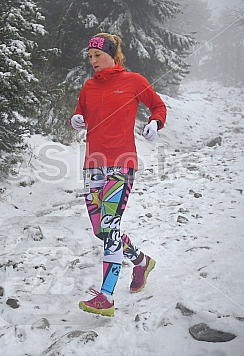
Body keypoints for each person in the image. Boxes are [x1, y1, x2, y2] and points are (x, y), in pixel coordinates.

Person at [70, 32, 167, 317]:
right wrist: (77, 120)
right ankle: (141, 261)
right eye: (90, 57)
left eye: (97, 55)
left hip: (121, 164)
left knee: (111, 225)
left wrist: (155, 122)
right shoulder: (88, 86)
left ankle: (106, 295)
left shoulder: (133, 81)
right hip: (93, 164)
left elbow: (158, 105)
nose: (93, 61)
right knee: (103, 230)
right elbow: (80, 115)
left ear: (112, 54)